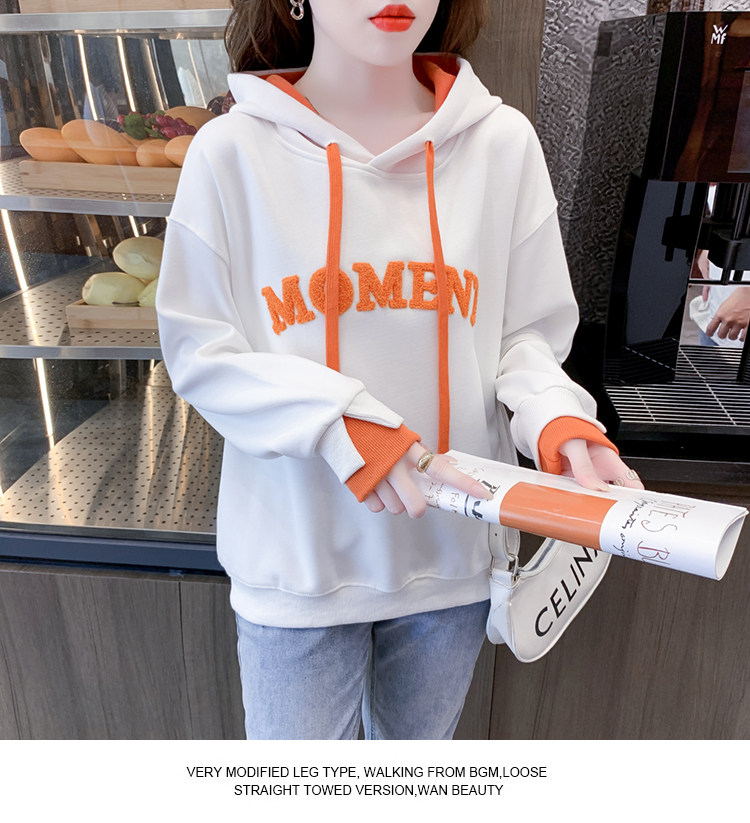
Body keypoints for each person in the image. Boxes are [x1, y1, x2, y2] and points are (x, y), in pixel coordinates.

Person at [156, 0, 643, 740]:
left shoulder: (502, 144)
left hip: (452, 557)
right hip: (297, 562)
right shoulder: (230, 153)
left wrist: (557, 418)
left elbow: (525, 335)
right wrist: (342, 422)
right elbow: (200, 351)